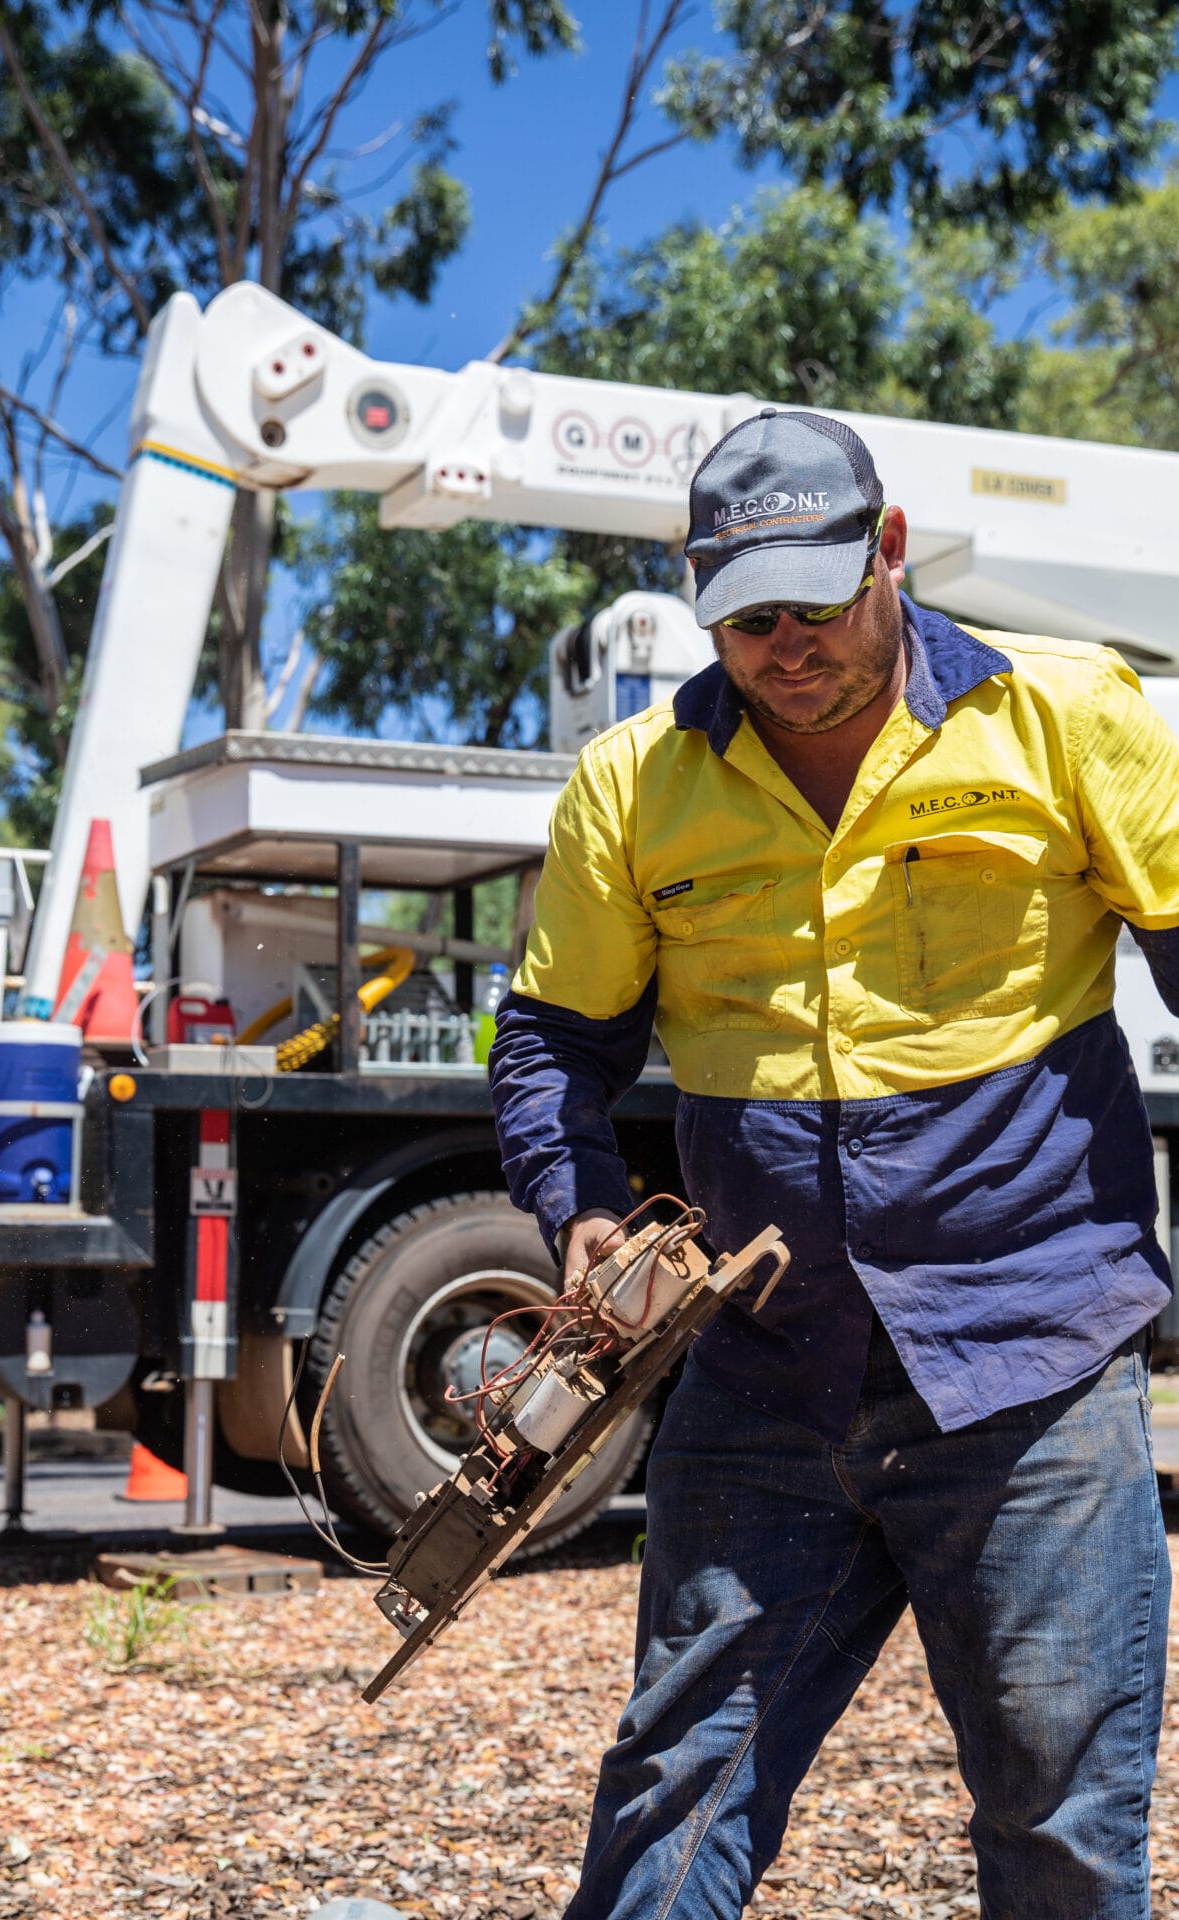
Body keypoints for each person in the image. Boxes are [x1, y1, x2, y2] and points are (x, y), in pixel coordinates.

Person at [488, 406, 1179, 1919]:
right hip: (761, 1377)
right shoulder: (632, 783)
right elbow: (554, 1042)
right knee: (673, 1802)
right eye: (741, 617)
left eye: (812, 599)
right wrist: (583, 1207)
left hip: (1033, 1374)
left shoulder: (1065, 717)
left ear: (888, 549)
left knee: (1060, 1828)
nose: (782, 644)